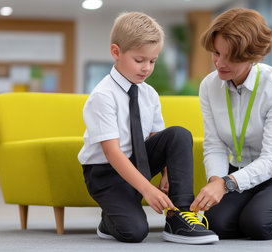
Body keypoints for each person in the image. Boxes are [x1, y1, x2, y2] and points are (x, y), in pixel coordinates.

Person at [78, 11, 218, 244]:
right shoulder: (102, 96)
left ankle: (180, 216)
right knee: (134, 232)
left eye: (152, 61)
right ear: (116, 52)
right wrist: (147, 189)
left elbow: (157, 138)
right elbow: (112, 153)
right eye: (139, 60)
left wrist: (165, 173)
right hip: (106, 173)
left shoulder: (149, 93)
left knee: (178, 134)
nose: (146, 68)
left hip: (138, 161)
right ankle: (108, 220)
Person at [190, 8, 272, 240]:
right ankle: (258, 207)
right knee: (214, 223)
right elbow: (214, 144)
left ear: (252, 55)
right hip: (239, 172)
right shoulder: (209, 86)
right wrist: (216, 182)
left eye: (231, 56)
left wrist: (225, 185)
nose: (220, 63)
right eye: (216, 53)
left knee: (258, 224)